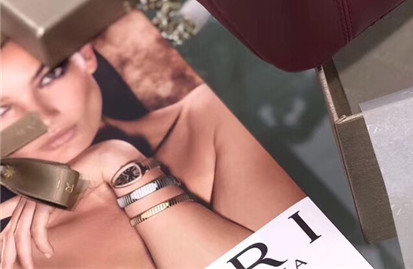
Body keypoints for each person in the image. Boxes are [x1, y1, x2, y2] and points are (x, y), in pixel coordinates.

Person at [0, 40, 303, 269]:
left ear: (86, 54)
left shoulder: (211, 119)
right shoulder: (15, 254)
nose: (45, 117)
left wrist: (120, 166)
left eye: (50, 76)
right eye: (2, 110)